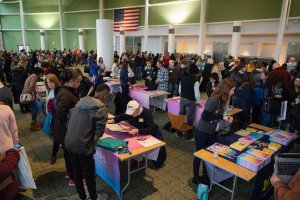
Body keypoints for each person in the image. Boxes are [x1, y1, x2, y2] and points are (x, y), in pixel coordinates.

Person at [65, 84, 110, 200]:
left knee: (77, 172)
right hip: (83, 145)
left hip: (69, 141)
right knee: (89, 174)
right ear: (104, 94)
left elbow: (70, 120)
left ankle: (83, 197)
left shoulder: (81, 101)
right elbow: (99, 132)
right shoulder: (101, 108)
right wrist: (91, 144)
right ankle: (94, 198)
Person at [193, 79, 235, 185]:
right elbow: (205, 116)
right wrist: (222, 116)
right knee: (199, 154)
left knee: (208, 155)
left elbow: (217, 114)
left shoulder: (222, 99)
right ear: (226, 90)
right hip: (202, 131)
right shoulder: (214, 99)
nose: (233, 92)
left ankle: (205, 176)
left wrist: (225, 116)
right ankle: (196, 177)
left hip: (211, 131)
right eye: (232, 90)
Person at [53, 69, 82, 186]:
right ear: (71, 81)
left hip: (64, 130)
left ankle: (69, 172)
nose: (79, 84)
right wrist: (71, 122)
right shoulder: (66, 94)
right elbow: (61, 113)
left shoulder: (65, 90)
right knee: (72, 155)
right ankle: (74, 178)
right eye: (78, 82)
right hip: (67, 131)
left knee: (68, 154)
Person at [178, 64, 200, 140]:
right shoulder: (196, 81)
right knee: (189, 119)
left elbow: (179, 90)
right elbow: (197, 95)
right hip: (191, 101)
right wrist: (197, 102)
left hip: (182, 99)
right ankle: (189, 136)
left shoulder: (183, 78)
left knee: (180, 116)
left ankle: (179, 133)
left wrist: (182, 95)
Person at [44, 73, 61, 165]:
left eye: (51, 82)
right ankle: (54, 154)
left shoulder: (59, 91)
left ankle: (54, 154)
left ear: (55, 82)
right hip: (52, 116)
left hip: (58, 117)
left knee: (57, 136)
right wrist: (47, 110)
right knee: (55, 136)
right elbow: (47, 101)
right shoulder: (49, 90)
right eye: (47, 83)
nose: (49, 84)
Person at [22, 67, 44, 131]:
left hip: (26, 93)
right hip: (29, 95)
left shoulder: (32, 75)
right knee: (35, 109)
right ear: (39, 73)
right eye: (42, 74)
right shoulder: (35, 76)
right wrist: (34, 95)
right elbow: (32, 86)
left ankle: (35, 123)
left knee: (34, 108)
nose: (42, 75)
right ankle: (33, 125)